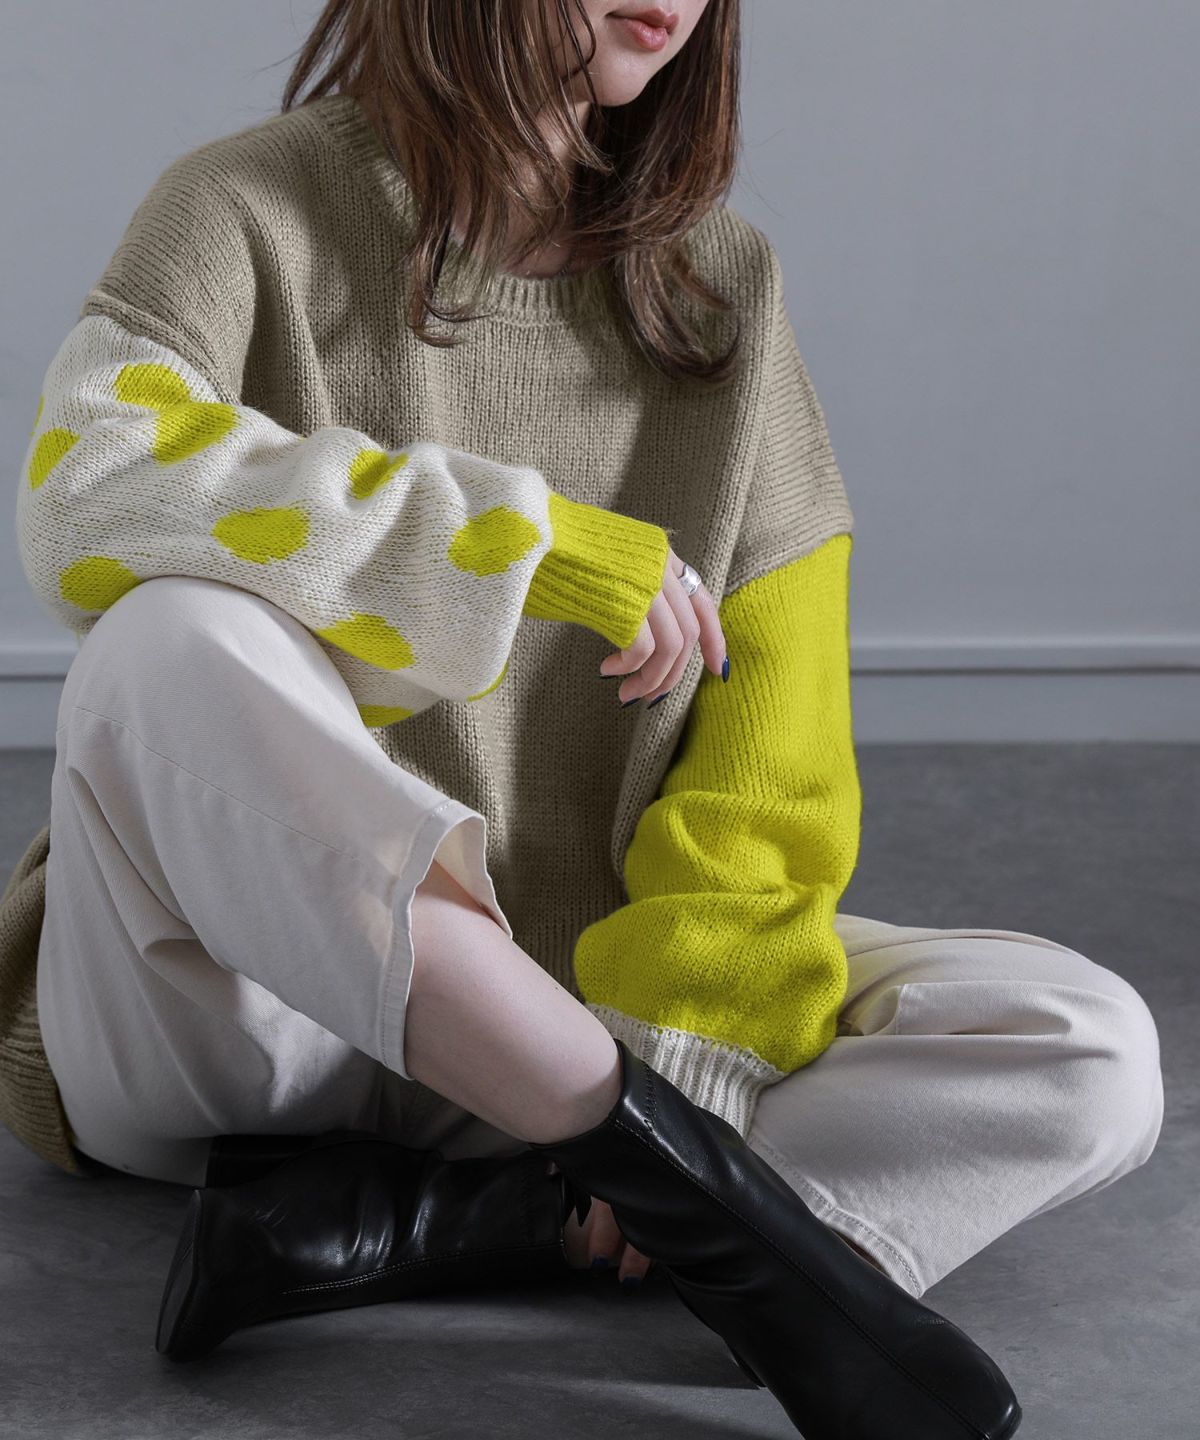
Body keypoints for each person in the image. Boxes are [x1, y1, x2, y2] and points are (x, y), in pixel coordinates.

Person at [1, 2, 1162, 1434]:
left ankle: (453, 1212)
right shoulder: (245, 205)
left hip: (538, 1015)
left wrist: (685, 1039)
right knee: (163, 642)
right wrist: (517, 545)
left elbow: (774, 756)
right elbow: (84, 493)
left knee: (1085, 1047)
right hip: (229, 1024)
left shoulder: (721, 288)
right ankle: (666, 1191)